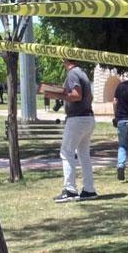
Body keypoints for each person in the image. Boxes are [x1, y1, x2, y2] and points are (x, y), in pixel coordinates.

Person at [50, 59, 97, 202]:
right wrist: (63, 93)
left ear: (64, 60)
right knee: (83, 155)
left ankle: (70, 190)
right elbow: (87, 96)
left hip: (77, 119)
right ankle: (89, 189)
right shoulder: (82, 73)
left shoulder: (72, 74)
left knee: (66, 152)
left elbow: (77, 95)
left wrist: (56, 95)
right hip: (88, 117)